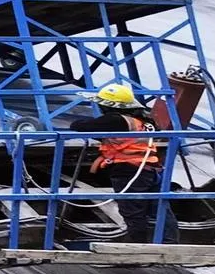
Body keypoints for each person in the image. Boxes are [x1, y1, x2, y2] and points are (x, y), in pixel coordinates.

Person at [70, 83, 178, 245]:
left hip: (130, 171)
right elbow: (129, 140)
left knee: (133, 213)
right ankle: (171, 245)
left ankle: (136, 249)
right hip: (153, 169)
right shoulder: (145, 120)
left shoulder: (115, 119)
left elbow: (80, 126)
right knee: (160, 209)